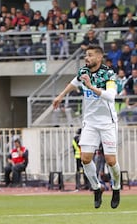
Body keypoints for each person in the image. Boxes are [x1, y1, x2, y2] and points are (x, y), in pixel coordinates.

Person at [53, 45, 121, 209]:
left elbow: (111, 96)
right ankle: (97, 188)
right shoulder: (83, 72)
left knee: (111, 161)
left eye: (90, 55)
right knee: (85, 158)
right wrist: (61, 96)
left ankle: (116, 188)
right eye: (85, 55)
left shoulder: (109, 74)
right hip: (90, 122)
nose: (86, 58)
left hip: (107, 123)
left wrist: (91, 87)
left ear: (99, 58)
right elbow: (73, 82)